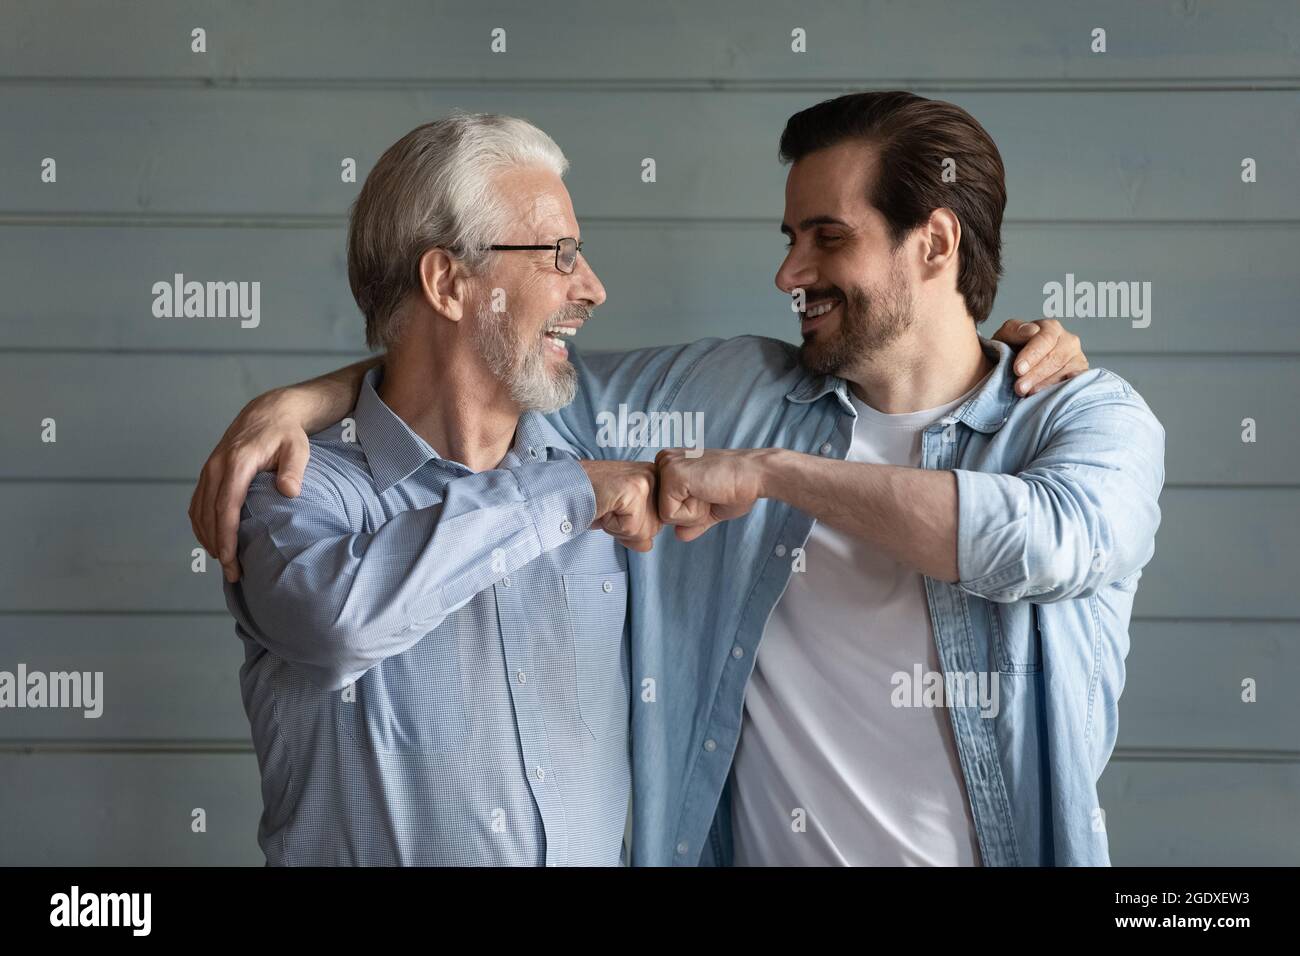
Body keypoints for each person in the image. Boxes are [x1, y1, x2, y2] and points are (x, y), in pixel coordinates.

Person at [197, 94, 1127, 866]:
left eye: (826, 237)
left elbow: (1041, 541)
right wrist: (312, 399)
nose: (788, 270)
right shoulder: (740, 393)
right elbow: (498, 370)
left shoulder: (1079, 415)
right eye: (789, 233)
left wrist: (772, 477)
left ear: (934, 243)